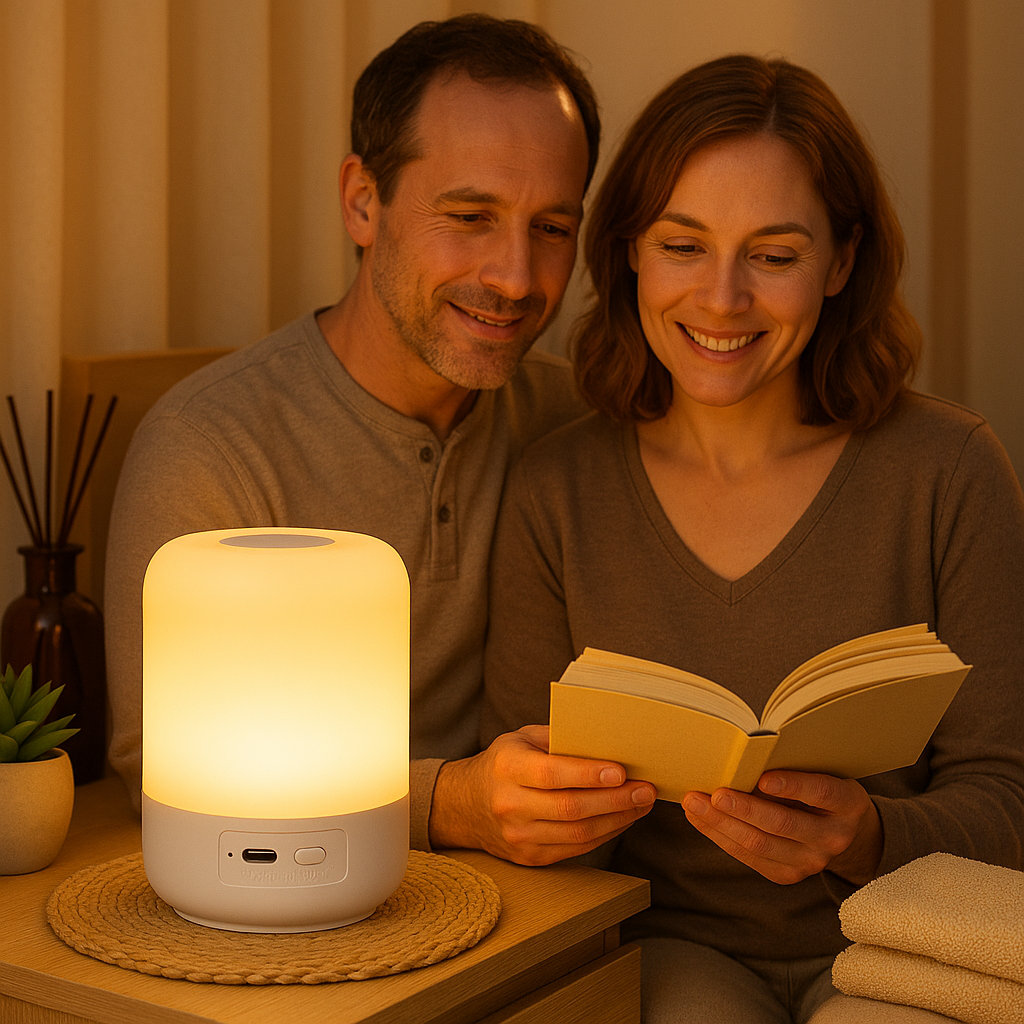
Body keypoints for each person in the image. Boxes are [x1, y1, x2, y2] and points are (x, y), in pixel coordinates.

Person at [482, 54, 1024, 1023]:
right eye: (683, 245)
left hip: (900, 938)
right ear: (630, 253)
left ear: (840, 263)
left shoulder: (949, 470)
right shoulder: (555, 489)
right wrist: (553, 808)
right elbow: (528, 807)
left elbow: (1008, 796)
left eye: (772, 256)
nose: (722, 300)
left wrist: (867, 836)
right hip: (670, 944)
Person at [105, 14, 656, 860]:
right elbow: (159, 773)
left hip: (546, 900)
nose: (514, 277)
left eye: (551, 228)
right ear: (364, 202)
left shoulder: (576, 416)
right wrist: (447, 805)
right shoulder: (209, 447)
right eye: (470, 216)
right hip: (296, 902)